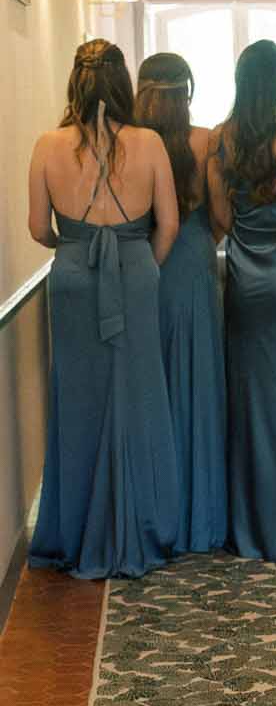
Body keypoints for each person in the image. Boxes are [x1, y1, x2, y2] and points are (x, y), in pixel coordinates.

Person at [28, 40, 181, 579]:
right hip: (136, 271)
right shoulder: (150, 142)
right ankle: (141, 525)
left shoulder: (48, 144)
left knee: (78, 401)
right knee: (137, 395)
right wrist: (141, 264)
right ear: (121, 85)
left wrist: (76, 247)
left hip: (71, 276)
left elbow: (36, 228)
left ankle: (74, 531)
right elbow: (170, 225)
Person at [207, 40, 276, 563]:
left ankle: (251, 527)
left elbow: (222, 222)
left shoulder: (220, 141)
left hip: (246, 290)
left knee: (249, 409)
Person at [135, 52, 228, 557]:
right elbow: (220, 214)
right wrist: (199, 240)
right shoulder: (204, 140)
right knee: (197, 383)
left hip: (143, 263)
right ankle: (199, 514)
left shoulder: (129, 141)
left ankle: (154, 511)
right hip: (192, 261)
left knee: (153, 386)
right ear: (185, 93)